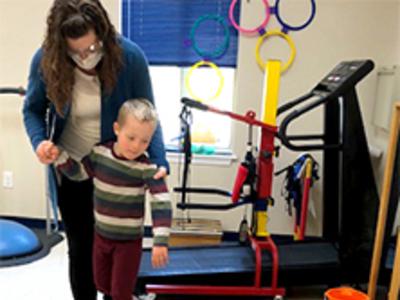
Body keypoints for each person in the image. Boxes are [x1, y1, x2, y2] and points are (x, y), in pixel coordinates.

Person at [22, 1, 169, 299]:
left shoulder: (129, 57)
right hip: (73, 168)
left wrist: (158, 159)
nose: (85, 57)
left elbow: (149, 112)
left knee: (117, 251)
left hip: (117, 171)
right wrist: (40, 142)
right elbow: (32, 109)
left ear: (103, 33)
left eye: (91, 48)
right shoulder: (47, 60)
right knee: (81, 248)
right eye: (75, 51)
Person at [53, 99, 172, 300]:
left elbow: (162, 201)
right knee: (101, 284)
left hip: (128, 243)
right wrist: (60, 157)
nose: (136, 146)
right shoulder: (100, 155)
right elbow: (80, 173)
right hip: (101, 237)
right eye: (131, 137)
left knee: (120, 293)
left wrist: (160, 241)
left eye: (144, 141)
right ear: (117, 129)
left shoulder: (146, 168)